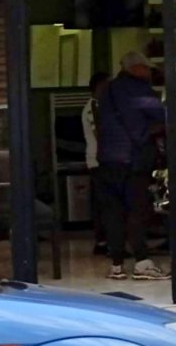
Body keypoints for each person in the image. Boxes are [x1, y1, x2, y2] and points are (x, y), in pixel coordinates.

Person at [98, 52, 170, 281]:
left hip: (107, 160)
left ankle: (116, 265)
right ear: (137, 68)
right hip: (133, 160)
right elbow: (163, 114)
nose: (149, 73)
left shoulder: (107, 90)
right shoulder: (139, 89)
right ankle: (142, 262)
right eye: (146, 68)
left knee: (113, 214)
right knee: (137, 211)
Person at [81, 72, 110, 256]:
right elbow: (99, 133)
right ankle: (102, 240)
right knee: (103, 202)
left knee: (104, 202)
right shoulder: (93, 108)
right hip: (98, 160)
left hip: (101, 159)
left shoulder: (100, 106)